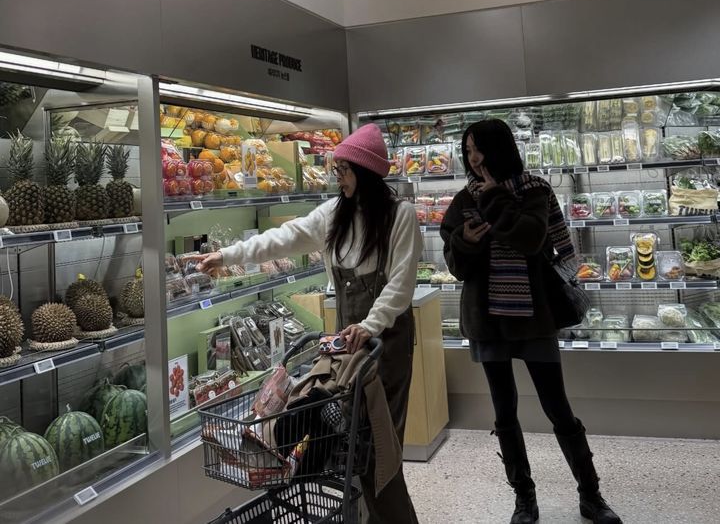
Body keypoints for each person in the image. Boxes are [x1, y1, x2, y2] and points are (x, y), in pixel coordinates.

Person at [197, 123, 421, 524]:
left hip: (385, 344)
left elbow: (401, 284)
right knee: (353, 446)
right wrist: (227, 256)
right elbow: (284, 237)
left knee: (379, 447)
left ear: (366, 172)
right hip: (347, 347)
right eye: (337, 170)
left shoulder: (398, 217)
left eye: (344, 171)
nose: (339, 178)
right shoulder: (334, 215)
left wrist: (370, 324)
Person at [441, 119, 622, 524]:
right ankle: (524, 498)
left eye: (480, 149)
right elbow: (457, 265)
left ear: (500, 149)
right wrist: (465, 242)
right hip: (488, 320)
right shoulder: (462, 200)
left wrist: (494, 198)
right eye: (468, 151)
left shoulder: (533, 190)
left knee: (558, 408)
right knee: (504, 413)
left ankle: (591, 494)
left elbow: (530, 238)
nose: (474, 159)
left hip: (533, 317)